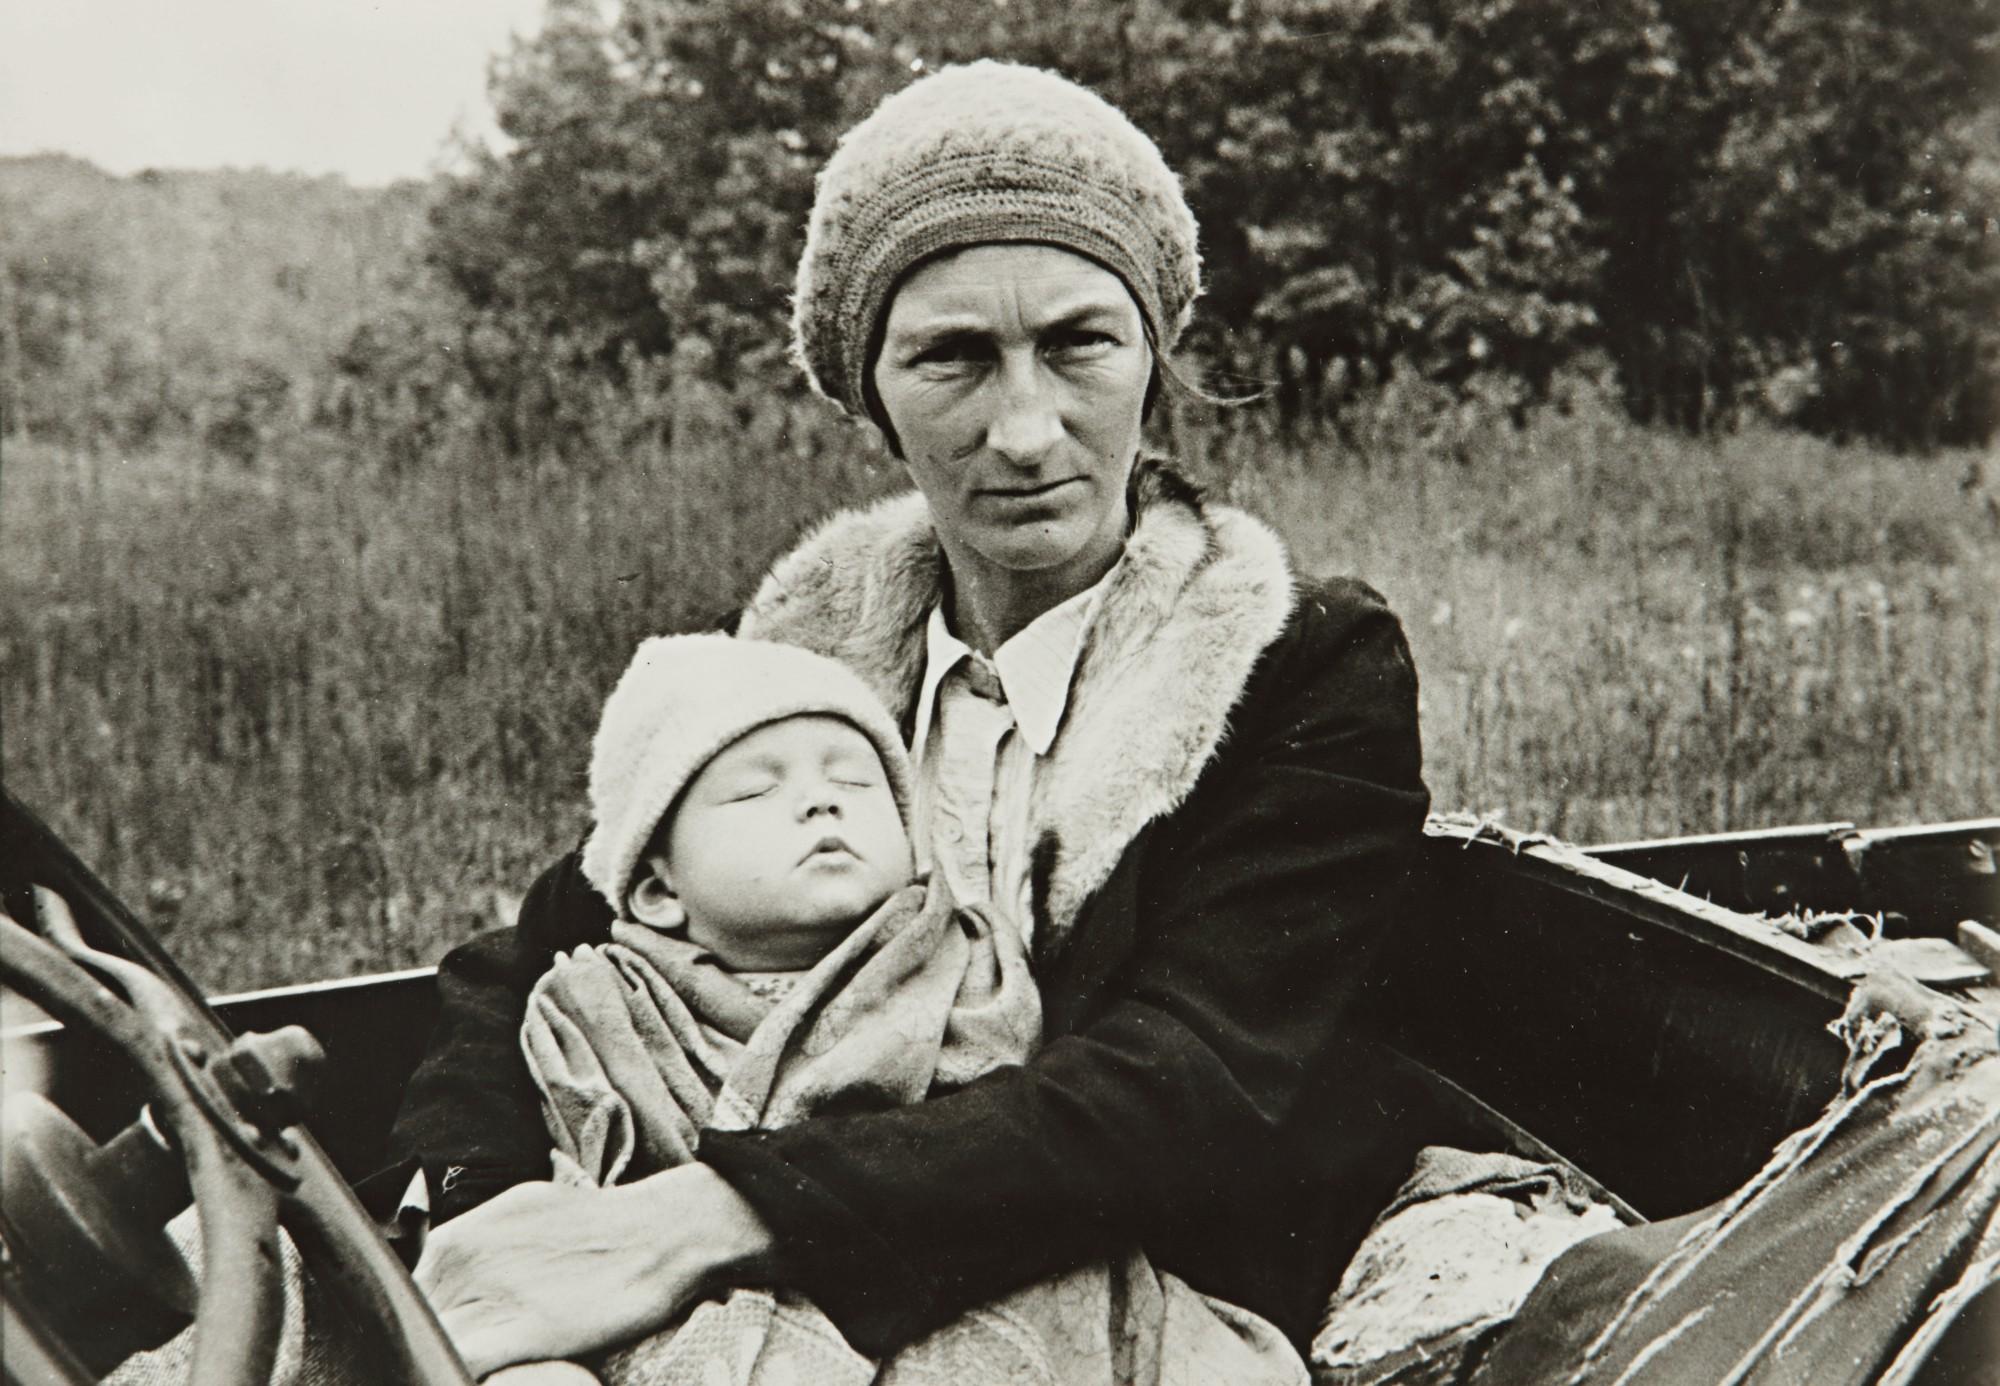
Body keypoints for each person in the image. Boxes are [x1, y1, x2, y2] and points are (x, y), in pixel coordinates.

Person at [390, 58, 1431, 1381]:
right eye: (952, 358)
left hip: (1118, 1290)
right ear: (871, 395)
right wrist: (491, 1214)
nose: (1027, 430)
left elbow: (1191, 1081)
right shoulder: (794, 648)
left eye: (1079, 343)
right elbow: (534, 953)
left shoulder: (1295, 663)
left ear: (1151, 363)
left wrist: (694, 1221)